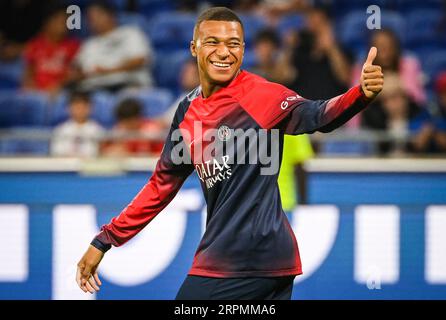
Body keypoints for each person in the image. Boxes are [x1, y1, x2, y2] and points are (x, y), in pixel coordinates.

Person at [76, 7, 383, 300]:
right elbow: (160, 187)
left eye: (233, 44)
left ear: (243, 49)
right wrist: (106, 239)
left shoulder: (264, 96)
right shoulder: (186, 112)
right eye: (213, 42)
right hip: (251, 260)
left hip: (244, 260)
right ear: (194, 48)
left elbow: (320, 115)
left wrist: (360, 94)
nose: (224, 52)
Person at [70, 0, 153, 93]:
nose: (93, 22)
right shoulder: (89, 44)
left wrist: (108, 71)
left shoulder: (130, 33)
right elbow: (77, 69)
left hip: (128, 84)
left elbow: (140, 60)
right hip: (95, 89)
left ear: (111, 15)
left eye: (97, 16)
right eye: (90, 19)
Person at [22, 5, 80, 96]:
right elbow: (28, 72)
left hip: (61, 92)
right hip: (36, 92)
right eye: (60, 22)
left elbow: (74, 74)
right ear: (48, 23)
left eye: (67, 22)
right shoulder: (35, 44)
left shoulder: (73, 45)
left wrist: (58, 86)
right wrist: (31, 88)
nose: (64, 26)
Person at [50, 91, 104, 157]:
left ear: (91, 108)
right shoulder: (60, 130)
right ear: (68, 108)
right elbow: (56, 152)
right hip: (65, 164)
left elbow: (98, 153)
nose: (80, 110)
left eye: (83, 107)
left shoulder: (98, 130)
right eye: (77, 107)